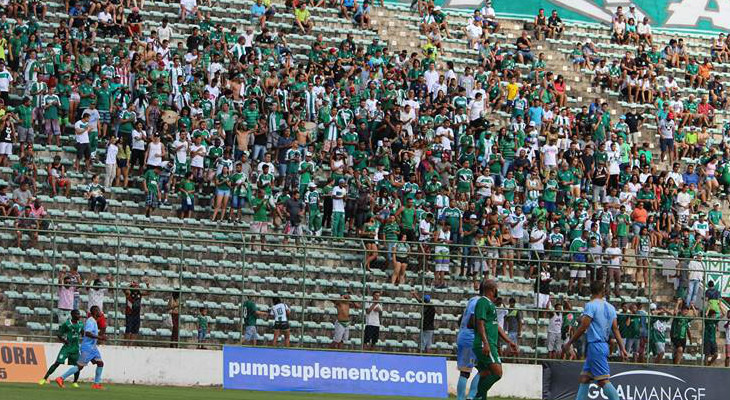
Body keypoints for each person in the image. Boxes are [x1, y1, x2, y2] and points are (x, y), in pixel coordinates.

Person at [562, 280, 628, 400]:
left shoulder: (591, 305)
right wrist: (622, 347)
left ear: (590, 291)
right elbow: (615, 329)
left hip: (595, 346)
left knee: (602, 381)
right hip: (603, 345)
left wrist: (569, 342)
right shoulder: (611, 307)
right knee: (585, 377)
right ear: (603, 291)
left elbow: (584, 327)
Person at [472, 279, 518, 400]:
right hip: (485, 344)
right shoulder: (483, 302)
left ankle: (480, 397)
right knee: (497, 373)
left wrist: (509, 341)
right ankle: (477, 397)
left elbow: (496, 326)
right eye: (496, 288)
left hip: (487, 343)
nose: (497, 291)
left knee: (486, 374)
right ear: (492, 290)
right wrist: (486, 343)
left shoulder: (490, 304)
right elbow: (479, 323)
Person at [55, 306, 105, 389]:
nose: (100, 312)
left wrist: (100, 335)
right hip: (87, 348)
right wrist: (99, 337)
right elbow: (87, 333)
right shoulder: (90, 321)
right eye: (99, 310)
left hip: (93, 348)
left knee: (100, 363)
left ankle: (96, 384)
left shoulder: (94, 321)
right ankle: (61, 378)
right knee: (79, 366)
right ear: (95, 312)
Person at [39, 309, 82, 387]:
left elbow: (83, 333)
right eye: (77, 314)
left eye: (79, 314)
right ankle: (44, 378)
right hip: (66, 348)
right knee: (58, 362)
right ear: (72, 315)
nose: (79, 316)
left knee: (77, 366)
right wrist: (64, 341)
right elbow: (59, 334)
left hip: (75, 348)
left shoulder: (81, 324)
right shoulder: (67, 324)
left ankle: (75, 382)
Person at [456, 292, 480, 400]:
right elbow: (472, 322)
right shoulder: (479, 302)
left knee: (464, 372)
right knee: (486, 369)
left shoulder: (471, 301)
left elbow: (460, 320)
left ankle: (460, 398)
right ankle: (471, 396)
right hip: (472, 339)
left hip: (464, 337)